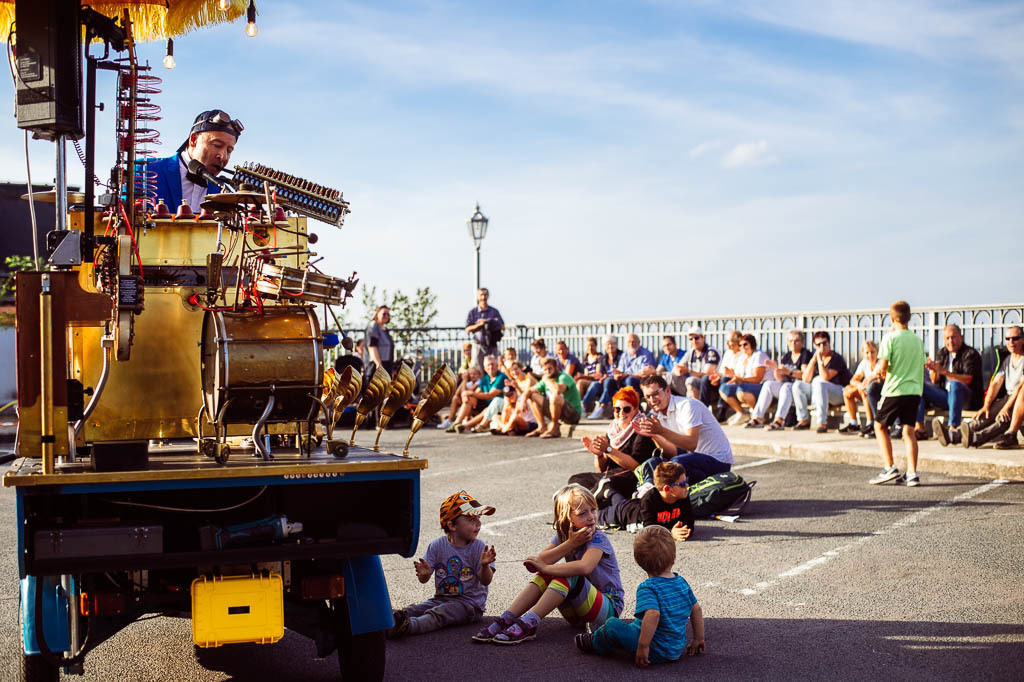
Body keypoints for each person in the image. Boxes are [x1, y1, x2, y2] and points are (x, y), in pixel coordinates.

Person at [472, 484, 623, 645]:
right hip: (577, 613)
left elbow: (585, 567)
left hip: (608, 611)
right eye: (583, 513)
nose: (591, 517)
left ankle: (529, 623)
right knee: (548, 573)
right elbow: (536, 563)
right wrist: (570, 544)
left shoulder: (599, 538)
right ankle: (506, 619)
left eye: (593, 510)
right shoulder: (564, 536)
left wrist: (546, 567)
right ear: (567, 517)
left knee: (568, 574)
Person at [576, 524, 705, 667]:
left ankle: (595, 642)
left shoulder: (648, 587)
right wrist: (698, 638)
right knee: (632, 627)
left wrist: (643, 647)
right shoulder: (682, 583)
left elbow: (653, 614)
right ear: (673, 558)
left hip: (654, 650)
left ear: (639, 562)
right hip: (675, 649)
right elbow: (696, 609)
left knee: (613, 625)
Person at [389, 491, 496, 638]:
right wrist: (424, 574)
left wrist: (485, 566)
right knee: (416, 608)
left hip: (469, 605)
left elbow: (486, 581)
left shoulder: (479, 547)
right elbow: (423, 579)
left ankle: (408, 627)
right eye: (471, 519)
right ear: (452, 525)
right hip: (442, 598)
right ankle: (389, 623)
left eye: (478, 518)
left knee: (439, 614)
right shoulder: (437, 546)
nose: (478, 523)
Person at [869, 301, 927, 487]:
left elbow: (883, 365)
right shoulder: (917, 340)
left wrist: (873, 375)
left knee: (879, 426)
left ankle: (889, 467)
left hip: (894, 390)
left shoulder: (890, 338)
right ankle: (912, 473)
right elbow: (920, 364)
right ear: (909, 318)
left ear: (892, 318)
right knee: (908, 431)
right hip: (914, 390)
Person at [637, 375, 733, 485]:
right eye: (648, 397)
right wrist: (654, 435)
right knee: (656, 463)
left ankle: (703, 493)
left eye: (655, 394)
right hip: (696, 458)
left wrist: (661, 431)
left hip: (718, 462)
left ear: (667, 391)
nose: (652, 400)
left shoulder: (688, 405)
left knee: (676, 465)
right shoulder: (659, 415)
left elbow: (691, 444)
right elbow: (673, 451)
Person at [570, 387, 657, 504]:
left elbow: (636, 466)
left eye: (626, 409)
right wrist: (599, 454)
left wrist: (608, 449)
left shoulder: (640, 428)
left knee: (605, 484)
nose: (621, 413)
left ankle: (592, 506)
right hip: (611, 474)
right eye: (617, 409)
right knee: (576, 481)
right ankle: (592, 503)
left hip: (632, 477)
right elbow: (602, 468)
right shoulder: (613, 430)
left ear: (636, 409)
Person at [146, 109, 241, 212]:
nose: (223, 156)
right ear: (193, 140)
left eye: (229, 150)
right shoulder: (146, 170)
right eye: (217, 145)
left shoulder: (223, 194)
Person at [960, 326, 1024, 449]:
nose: (1011, 342)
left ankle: (976, 438)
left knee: (1004, 416)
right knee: (986, 414)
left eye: (1015, 338)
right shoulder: (1007, 359)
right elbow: (995, 383)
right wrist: (986, 405)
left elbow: (1021, 387)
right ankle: (953, 435)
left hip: (1019, 398)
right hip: (1009, 397)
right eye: (1008, 339)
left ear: (1023, 340)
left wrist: (1005, 408)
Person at [597, 461, 695, 541]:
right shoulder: (649, 500)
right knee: (596, 516)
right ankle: (607, 491)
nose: (687, 485)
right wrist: (670, 533)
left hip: (634, 504)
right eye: (682, 484)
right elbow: (650, 529)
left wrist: (684, 529)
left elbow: (689, 520)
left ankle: (608, 491)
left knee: (620, 501)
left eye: (686, 480)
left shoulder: (683, 496)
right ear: (667, 489)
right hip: (622, 514)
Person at [928, 325, 984, 446]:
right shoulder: (942, 353)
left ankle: (953, 429)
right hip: (946, 397)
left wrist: (944, 372)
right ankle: (918, 427)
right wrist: (934, 370)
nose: (950, 341)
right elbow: (935, 381)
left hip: (968, 398)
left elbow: (968, 380)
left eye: (953, 337)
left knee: (955, 385)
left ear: (961, 338)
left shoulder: (970, 354)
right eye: (947, 338)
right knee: (921, 387)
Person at [786, 331, 852, 432]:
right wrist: (813, 360)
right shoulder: (815, 358)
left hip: (839, 392)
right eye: (818, 344)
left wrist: (820, 361)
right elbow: (805, 379)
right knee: (798, 385)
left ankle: (822, 422)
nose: (822, 346)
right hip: (820, 392)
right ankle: (803, 420)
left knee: (820, 383)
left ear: (829, 343)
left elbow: (825, 377)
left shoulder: (836, 358)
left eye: (824, 343)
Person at [751, 330, 811, 430]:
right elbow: (780, 379)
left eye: (797, 341)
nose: (793, 343)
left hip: (798, 389)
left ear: (802, 342)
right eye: (791, 341)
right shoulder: (787, 356)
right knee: (768, 384)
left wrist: (788, 372)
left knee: (786, 387)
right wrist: (776, 370)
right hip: (786, 387)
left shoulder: (805, 355)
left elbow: (804, 375)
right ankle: (757, 418)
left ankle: (779, 421)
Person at [523, 357, 583, 438]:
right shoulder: (546, 378)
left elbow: (558, 390)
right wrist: (522, 402)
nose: (548, 372)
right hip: (558, 413)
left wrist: (547, 381)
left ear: (556, 367)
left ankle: (554, 429)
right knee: (533, 396)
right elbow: (529, 391)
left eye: (550, 369)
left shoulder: (564, 377)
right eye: (545, 369)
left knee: (555, 398)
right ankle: (542, 427)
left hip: (572, 415)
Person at [447, 355, 508, 433]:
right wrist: (466, 395)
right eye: (488, 365)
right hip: (487, 404)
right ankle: (456, 423)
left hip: (499, 406)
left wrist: (469, 393)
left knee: (487, 408)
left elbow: (490, 395)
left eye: (493, 364)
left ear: (497, 366)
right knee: (470, 399)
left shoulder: (501, 377)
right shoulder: (486, 378)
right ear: (485, 368)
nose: (491, 367)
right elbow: (477, 393)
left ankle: (465, 425)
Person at [719, 334, 769, 426]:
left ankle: (757, 415)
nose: (742, 347)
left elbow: (757, 378)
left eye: (745, 344)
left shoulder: (759, 355)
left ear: (752, 344)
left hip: (761, 386)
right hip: (745, 384)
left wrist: (741, 379)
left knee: (741, 391)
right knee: (724, 388)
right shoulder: (742, 358)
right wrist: (731, 375)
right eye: (740, 345)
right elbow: (738, 375)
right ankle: (742, 413)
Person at [838, 340, 882, 435]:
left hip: (876, 393)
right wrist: (860, 385)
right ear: (863, 354)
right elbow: (853, 380)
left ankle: (870, 423)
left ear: (877, 352)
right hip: (865, 390)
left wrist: (865, 385)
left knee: (865, 391)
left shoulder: (880, 363)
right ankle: (853, 423)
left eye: (872, 352)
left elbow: (879, 380)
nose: (870, 355)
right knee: (847, 391)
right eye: (867, 352)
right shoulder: (864, 363)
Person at [676, 326, 721, 403]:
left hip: (711, 387)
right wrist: (679, 370)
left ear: (703, 338)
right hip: (694, 385)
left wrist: (688, 371)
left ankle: (698, 408)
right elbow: (677, 369)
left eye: (696, 338)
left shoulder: (711, 352)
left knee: (691, 380)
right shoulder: (691, 352)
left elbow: (707, 375)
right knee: (668, 377)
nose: (694, 341)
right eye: (691, 339)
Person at [584, 335, 623, 419]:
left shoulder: (621, 356)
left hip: (617, 382)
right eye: (608, 344)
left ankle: (601, 407)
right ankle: (583, 407)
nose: (610, 346)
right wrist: (601, 376)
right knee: (595, 384)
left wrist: (607, 376)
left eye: (612, 344)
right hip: (605, 382)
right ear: (604, 346)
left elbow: (621, 370)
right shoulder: (603, 358)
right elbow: (601, 373)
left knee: (608, 381)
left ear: (616, 345)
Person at [465, 288, 504, 370]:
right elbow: (468, 329)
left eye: (485, 295)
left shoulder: (494, 311)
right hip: (478, 345)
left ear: (488, 296)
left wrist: (491, 323)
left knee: (493, 368)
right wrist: (479, 325)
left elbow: (502, 326)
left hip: (492, 344)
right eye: (481, 295)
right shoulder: (473, 312)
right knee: (477, 369)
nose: (483, 297)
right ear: (478, 297)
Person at [362, 305, 395, 381]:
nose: (386, 316)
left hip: (386, 365)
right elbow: (372, 346)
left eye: (388, 314)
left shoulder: (385, 329)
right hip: (375, 365)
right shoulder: (373, 325)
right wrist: (378, 364)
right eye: (384, 314)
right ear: (377, 314)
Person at [576, 337, 604, 410]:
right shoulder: (586, 358)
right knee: (577, 382)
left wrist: (582, 376)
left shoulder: (599, 357)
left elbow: (597, 374)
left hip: (596, 381)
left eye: (592, 345)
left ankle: (580, 406)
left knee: (580, 383)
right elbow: (586, 374)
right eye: (588, 346)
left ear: (596, 346)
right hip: (588, 380)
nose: (590, 348)